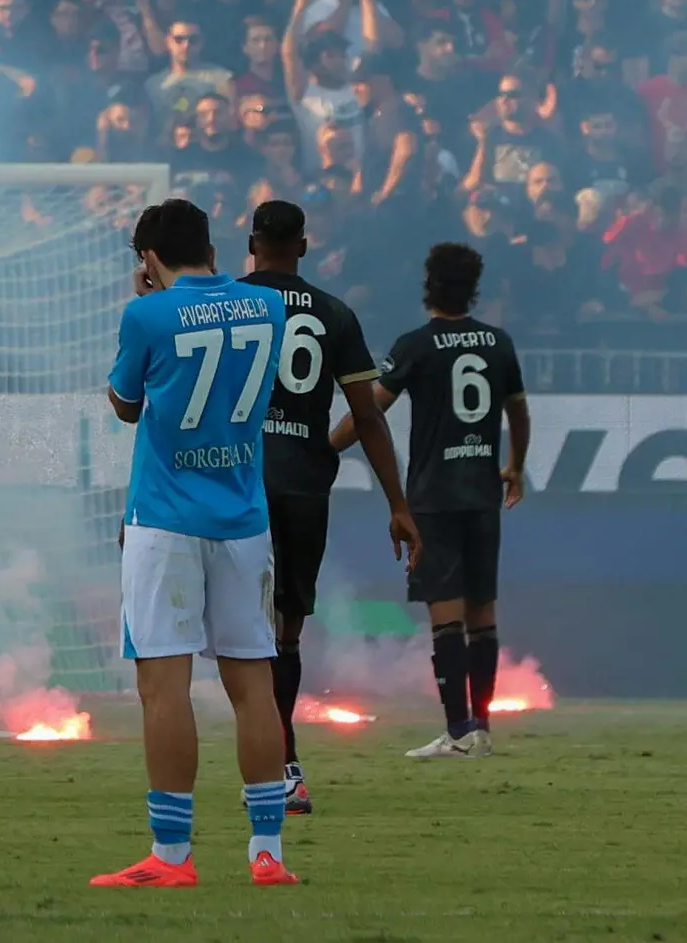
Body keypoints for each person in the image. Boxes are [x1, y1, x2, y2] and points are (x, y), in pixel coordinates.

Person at [93, 198, 297, 890]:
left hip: (167, 518)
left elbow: (125, 404)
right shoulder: (267, 306)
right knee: (253, 684)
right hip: (243, 517)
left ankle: (172, 857)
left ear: (147, 259)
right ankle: (267, 851)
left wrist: (148, 302)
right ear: (211, 247)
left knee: (163, 685)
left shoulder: (146, 313)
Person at [238, 200, 419, 814]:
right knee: (286, 631)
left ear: (251, 242)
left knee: (231, 629)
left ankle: (240, 758)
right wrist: (398, 503)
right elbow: (367, 416)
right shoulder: (334, 313)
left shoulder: (223, 304)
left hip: (234, 481)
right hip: (303, 485)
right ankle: (284, 766)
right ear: (304, 248)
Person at [330, 242, 529, 759]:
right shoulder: (498, 343)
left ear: (428, 286)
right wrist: (517, 467)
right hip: (482, 492)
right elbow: (519, 412)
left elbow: (370, 411)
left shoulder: (417, 345)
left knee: (447, 616)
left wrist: (323, 447)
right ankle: (480, 729)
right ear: (474, 287)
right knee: (483, 612)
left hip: (435, 496)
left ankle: (457, 731)